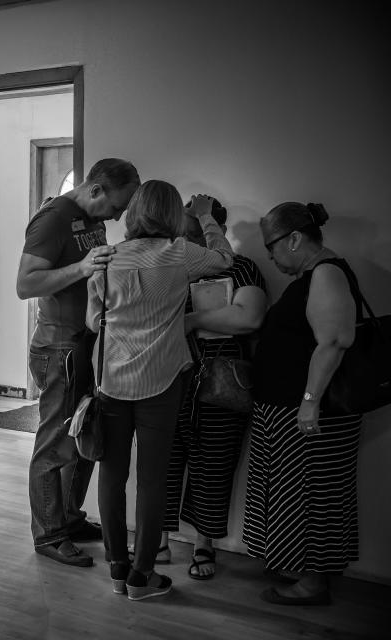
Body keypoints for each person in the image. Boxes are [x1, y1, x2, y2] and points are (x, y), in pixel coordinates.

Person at [86, 182, 233, 601]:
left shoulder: (107, 256)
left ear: (132, 212)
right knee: (152, 480)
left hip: (111, 380)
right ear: (171, 215)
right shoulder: (178, 253)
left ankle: (117, 568)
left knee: (112, 475)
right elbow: (225, 258)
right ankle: (142, 576)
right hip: (162, 382)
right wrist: (204, 215)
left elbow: (92, 320)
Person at [16, 158, 140, 567]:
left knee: (85, 435)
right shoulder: (52, 219)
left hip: (86, 343)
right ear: (96, 190)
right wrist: (83, 268)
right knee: (54, 443)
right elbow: (26, 284)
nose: (119, 215)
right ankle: (49, 535)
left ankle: (69, 518)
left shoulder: (90, 218)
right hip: (57, 349)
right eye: (116, 206)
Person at [244, 202, 361, 606]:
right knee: (299, 496)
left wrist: (309, 402)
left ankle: (312, 585)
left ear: (294, 239)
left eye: (272, 247)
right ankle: (297, 567)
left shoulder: (327, 274)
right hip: (286, 411)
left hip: (310, 414)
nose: (271, 257)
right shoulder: (315, 275)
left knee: (312, 497)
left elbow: (334, 341)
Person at [159, 198, 268, 580]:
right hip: (170, 378)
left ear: (214, 229)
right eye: (181, 233)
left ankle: (204, 543)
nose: (184, 240)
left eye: (193, 232)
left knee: (215, 465)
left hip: (222, 381)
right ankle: (159, 536)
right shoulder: (170, 266)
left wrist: (191, 320)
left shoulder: (241, 268)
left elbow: (249, 317)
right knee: (164, 462)